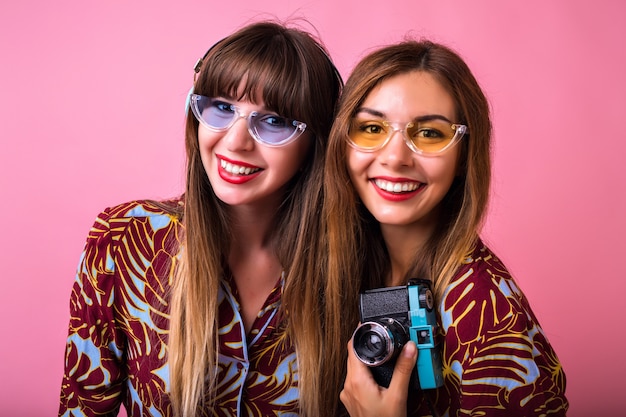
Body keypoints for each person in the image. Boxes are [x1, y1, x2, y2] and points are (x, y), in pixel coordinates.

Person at [58, 20, 343, 417]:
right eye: (223, 108)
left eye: (274, 120)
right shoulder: (124, 240)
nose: (236, 141)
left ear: (316, 141)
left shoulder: (349, 264)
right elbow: (82, 406)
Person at [323, 40, 569, 416]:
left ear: (463, 158)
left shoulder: (486, 316)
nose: (394, 157)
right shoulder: (345, 265)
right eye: (371, 128)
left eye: (429, 134)